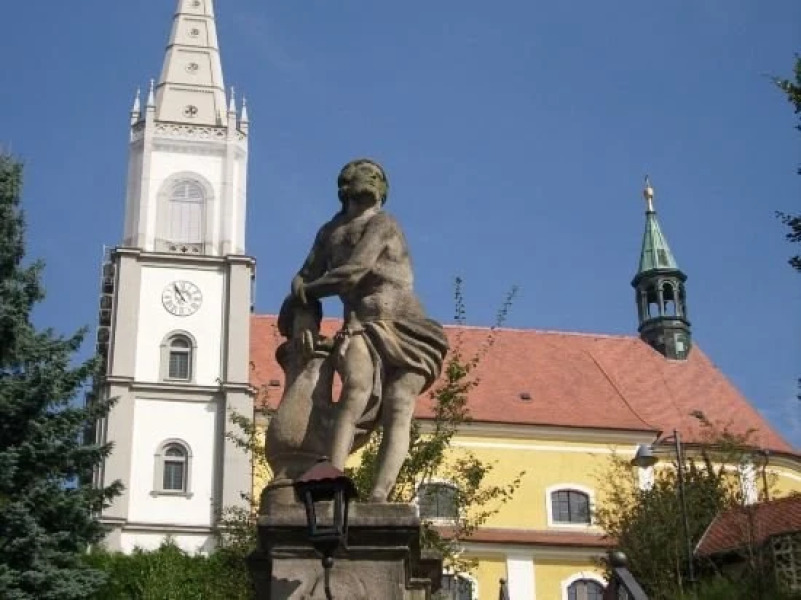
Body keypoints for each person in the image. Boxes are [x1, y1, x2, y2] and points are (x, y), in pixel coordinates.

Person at [290, 159, 448, 502]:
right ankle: (332, 480)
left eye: (380, 177)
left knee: (398, 403)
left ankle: (379, 494)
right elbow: (303, 277)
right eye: (367, 173)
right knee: (356, 389)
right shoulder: (329, 232)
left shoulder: (384, 223)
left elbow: (352, 272)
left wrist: (304, 292)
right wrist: (305, 318)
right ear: (345, 185)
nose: (375, 179)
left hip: (409, 327)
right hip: (361, 325)